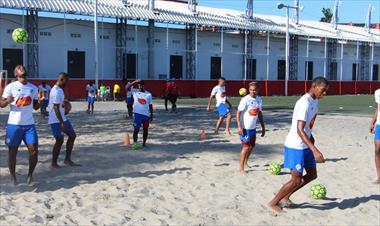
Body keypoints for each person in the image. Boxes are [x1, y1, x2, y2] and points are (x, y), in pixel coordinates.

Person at [267, 76, 329, 213]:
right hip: (295, 145)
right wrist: (315, 150)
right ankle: (273, 203)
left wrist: (312, 142)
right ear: (314, 86)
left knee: (312, 175)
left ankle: (286, 196)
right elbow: (299, 130)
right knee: (296, 180)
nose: (324, 93)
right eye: (323, 90)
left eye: (326, 91)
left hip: (305, 144)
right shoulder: (304, 103)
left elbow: (307, 128)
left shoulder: (314, 101)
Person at [0, 65, 44, 185]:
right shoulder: (10, 87)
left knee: (34, 151)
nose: (24, 78)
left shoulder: (33, 88)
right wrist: (6, 101)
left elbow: (35, 107)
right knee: (12, 153)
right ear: (16, 76)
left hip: (29, 125)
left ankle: (30, 175)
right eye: (21, 76)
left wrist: (40, 102)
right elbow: (1, 104)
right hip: (14, 125)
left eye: (25, 75)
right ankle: (13, 177)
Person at [48, 72, 77, 168]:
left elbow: (60, 105)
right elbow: (56, 108)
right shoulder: (55, 91)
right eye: (66, 81)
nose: (67, 83)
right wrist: (61, 122)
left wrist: (65, 107)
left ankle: (67, 159)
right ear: (61, 79)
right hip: (55, 120)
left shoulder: (60, 89)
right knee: (59, 140)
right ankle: (53, 163)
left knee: (72, 135)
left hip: (62, 118)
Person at [236, 82, 265, 174]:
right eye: (251, 90)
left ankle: (245, 162)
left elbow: (259, 113)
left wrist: (263, 127)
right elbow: (238, 113)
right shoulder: (245, 99)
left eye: (255, 89)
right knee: (245, 147)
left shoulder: (259, 99)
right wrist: (239, 126)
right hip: (245, 128)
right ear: (249, 90)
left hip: (253, 128)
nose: (253, 91)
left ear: (258, 90)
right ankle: (241, 169)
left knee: (252, 146)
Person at [126, 80, 153, 147]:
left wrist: (151, 115)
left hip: (146, 115)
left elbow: (150, 105)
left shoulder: (148, 94)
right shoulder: (135, 92)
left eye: (141, 85)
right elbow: (127, 88)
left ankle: (144, 143)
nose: (140, 87)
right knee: (136, 129)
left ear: (144, 85)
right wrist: (134, 82)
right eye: (138, 86)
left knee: (145, 130)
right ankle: (135, 143)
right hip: (137, 114)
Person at [369, 89, 380, 184]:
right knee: (377, 149)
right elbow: (378, 108)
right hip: (379, 125)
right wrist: (373, 121)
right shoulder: (377, 92)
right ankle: (379, 176)